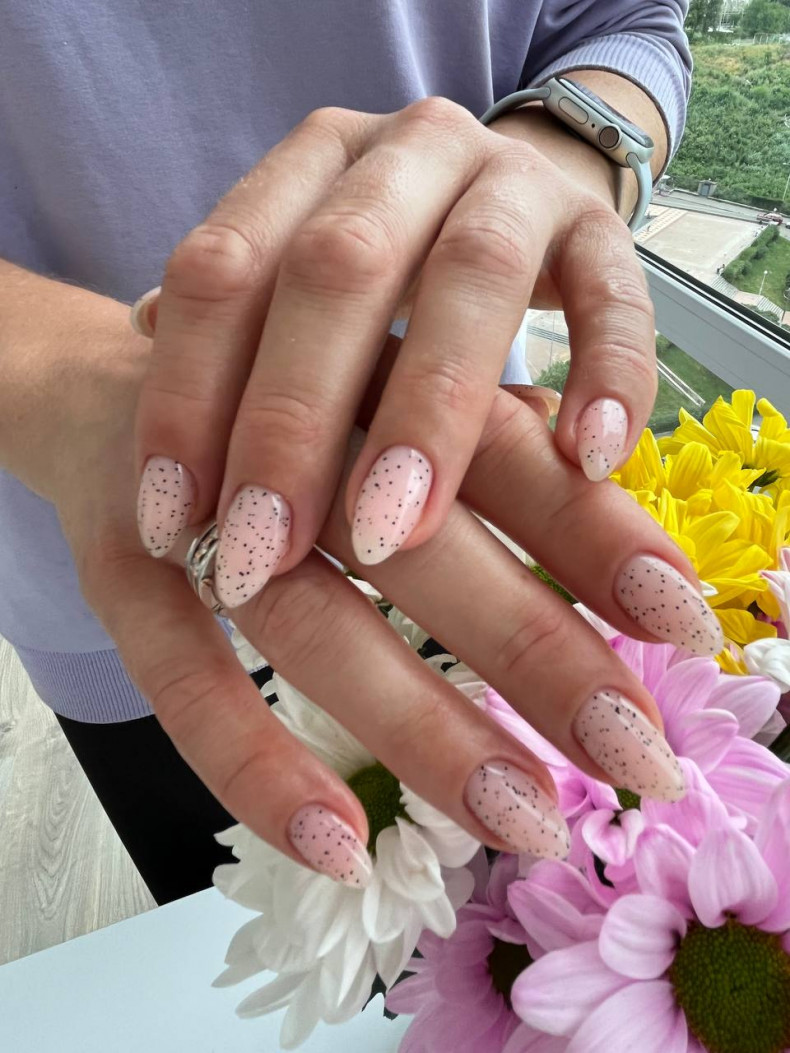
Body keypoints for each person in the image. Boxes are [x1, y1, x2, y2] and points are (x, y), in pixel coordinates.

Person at [0, 1, 709, 904]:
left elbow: (624, 19)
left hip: (481, 514)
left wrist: (556, 153)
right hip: (110, 568)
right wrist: (57, 369)